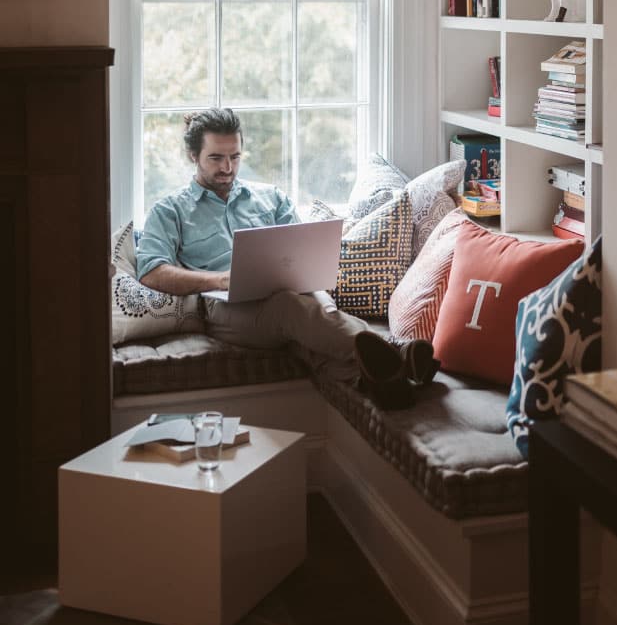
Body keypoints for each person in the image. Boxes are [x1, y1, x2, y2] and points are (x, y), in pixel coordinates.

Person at [137, 107, 437, 403]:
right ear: (194, 156)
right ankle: (396, 350)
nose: (227, 167)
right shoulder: (170, 210)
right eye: (216, 158)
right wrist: (218, 280)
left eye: (235, 157)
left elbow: (301, 249)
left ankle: (388, 386)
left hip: (295, 294)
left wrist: (307, 273)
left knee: (310, 322)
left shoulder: (271, 197)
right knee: (291, 308)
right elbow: (151, 271)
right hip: (227, 310)